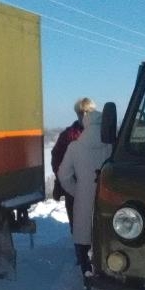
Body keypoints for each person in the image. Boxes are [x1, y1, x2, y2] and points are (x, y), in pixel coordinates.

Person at [58, 110, 112, 290]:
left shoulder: (75, 147)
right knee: (107, 240)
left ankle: (88, 281)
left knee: (83, 240)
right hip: (109, 200)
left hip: (83, 199)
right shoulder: (111, 145)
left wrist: (77, 190)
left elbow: (63, 175)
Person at [51, 98, 96, 231]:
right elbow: (56, 158)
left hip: (97, 188)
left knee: (97, 226)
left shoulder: (103, 133)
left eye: (88, 112)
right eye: (81, 113)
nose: (85, 116)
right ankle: (80, 251)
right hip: (75, 189)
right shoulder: (67, 136)